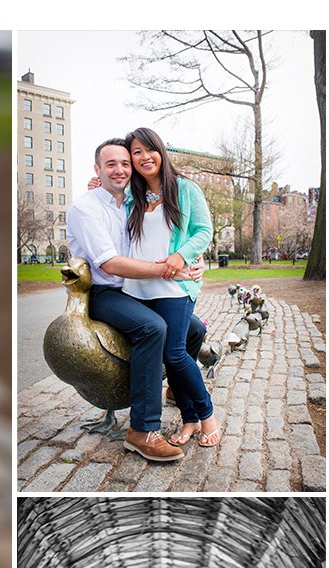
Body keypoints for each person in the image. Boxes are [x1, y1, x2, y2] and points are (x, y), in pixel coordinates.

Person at [67, 138, 207, 464]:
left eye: (124, 163)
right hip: (103, 294)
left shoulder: (130, 201)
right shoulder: (87, 209)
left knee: (193, 330)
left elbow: (172, 233)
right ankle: (142, 431)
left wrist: (190, 261)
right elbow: (111, 264)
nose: (119, 169)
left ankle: (177, 386)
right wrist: (170, 270)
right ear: (97, 170)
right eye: (110, 164)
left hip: (133, 290)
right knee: (152, 328)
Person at [122, 128, 220, 450]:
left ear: (161, 152)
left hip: (174, 285)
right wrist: (96, 185)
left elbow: (203, 230)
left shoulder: (185, 190)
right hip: (138, 288)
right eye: (136, 152)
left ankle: (206, 416)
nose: (144, 157)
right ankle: (189, 419)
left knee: (174, 352)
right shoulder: (131, 197)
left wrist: (182, 256)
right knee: (172, 347)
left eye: (149, 149)